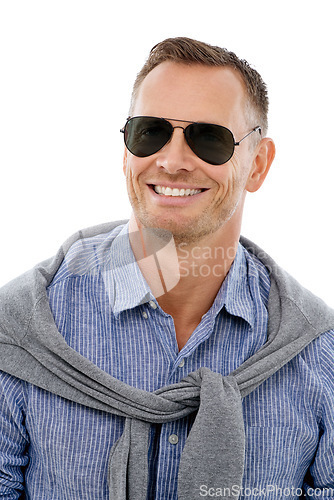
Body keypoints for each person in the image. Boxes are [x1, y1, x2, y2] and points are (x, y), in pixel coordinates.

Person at [0, 37, 333, 500]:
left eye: (209, 138)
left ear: (258, 164)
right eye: (150, 131)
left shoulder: (318, 352)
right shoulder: (21, 333)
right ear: (125, 150)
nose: (173, 161)